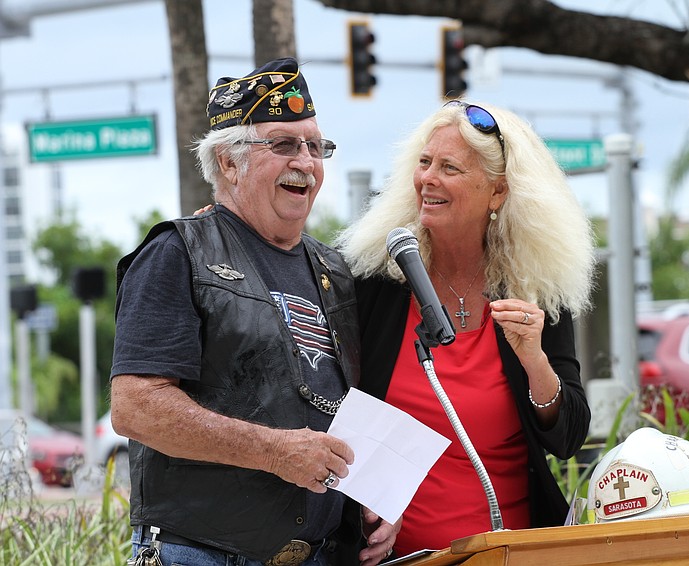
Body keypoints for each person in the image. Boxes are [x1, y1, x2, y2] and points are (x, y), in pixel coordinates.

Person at [110, 58, 396, 566]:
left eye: (316, 146)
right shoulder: (177, 253)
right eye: (284, 144)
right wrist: (273, 451)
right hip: (202, 553)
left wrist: (376, 502)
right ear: (228, 162)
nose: (306, 161)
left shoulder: (335, 270)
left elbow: (348, 405)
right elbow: (137, 407)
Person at [335, 100, 596, 556]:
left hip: (509, 553)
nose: (427, 179)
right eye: (424, 163)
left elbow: (568, 439)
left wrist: (534, 360)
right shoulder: (376, 280)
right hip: (398, 557)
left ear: (497, 193)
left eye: (449, 167)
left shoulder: (534, 291)